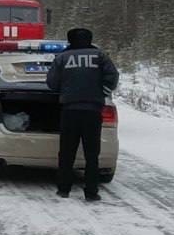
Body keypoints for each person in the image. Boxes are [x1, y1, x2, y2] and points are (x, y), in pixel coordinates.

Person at [46, 27, 119, 201]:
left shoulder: (62, 57)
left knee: (67, 152)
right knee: (92, 153)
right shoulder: (100, 56)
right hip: (93, 111)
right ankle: (91, 192)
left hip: (70, 110)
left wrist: (65, 89)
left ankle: (64, 189)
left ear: (70, 40)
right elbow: (113, 77)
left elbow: (51, 83)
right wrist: (102, 92)